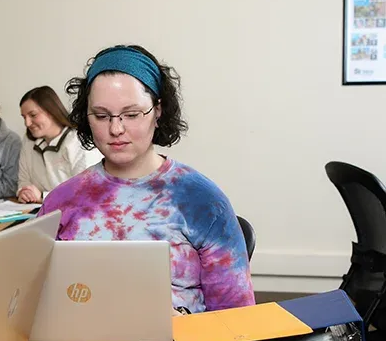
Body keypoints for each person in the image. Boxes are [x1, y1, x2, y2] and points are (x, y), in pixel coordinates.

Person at [40, 45, 254, 313]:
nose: (116, 129)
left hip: (181, 339)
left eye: (131, 115)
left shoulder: (201, 201)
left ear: (158, 110)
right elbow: (32, 300)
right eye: (102, 116)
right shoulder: (61, 202)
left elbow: (236, 316)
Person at [16, 86, 98, 204]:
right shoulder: (28, 141)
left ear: (51, 112)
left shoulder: (78, 140)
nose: (27, 123)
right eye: (24, 117)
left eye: (33, 115)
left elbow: (85, 191)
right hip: (37, 210)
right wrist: (24, 192)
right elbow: (24, 181)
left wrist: (43, 196)